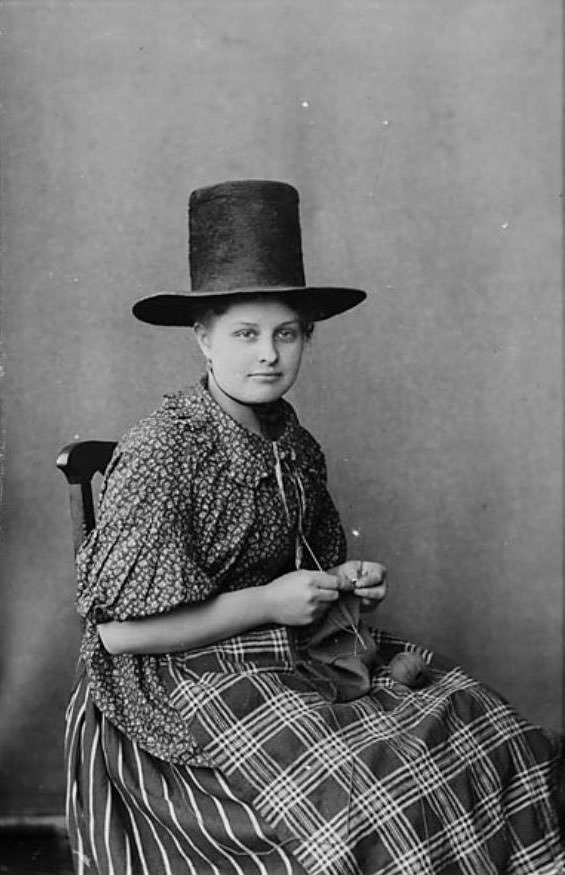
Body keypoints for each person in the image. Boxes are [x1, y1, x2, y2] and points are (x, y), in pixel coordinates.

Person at [65, 180, 563, 875]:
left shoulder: (291, 441)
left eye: (286, 333)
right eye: (244, 333)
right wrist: (269, 602)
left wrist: (341, 584)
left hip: (285, 650)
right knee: (378, 792)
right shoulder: (162, 450)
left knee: (481, 724)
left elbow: (298, 565)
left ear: (306, 338)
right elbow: (116, 634)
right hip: (176, 680)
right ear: (203, 338)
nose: (268, 354)